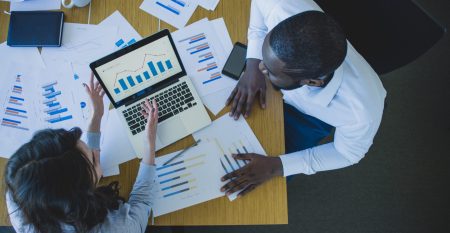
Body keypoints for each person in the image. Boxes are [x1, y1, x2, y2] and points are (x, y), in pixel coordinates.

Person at [221, 0, 387, 197]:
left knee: (264, 185)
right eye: (265, 61)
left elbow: (347, 154)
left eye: (270, 71)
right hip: (287, 90)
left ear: (313, 82)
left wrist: (276, 166)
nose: (262, 69)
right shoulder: (284, 7)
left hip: (313, 118)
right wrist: (252, 64)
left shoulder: (359, 113)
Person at [5, 74, 159, 233]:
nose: (95, 152)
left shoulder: (18, 187)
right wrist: (149, 146)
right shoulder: (116, 228)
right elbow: (141, 206)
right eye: (93, 161)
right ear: (81, 194)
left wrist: (96, 116)